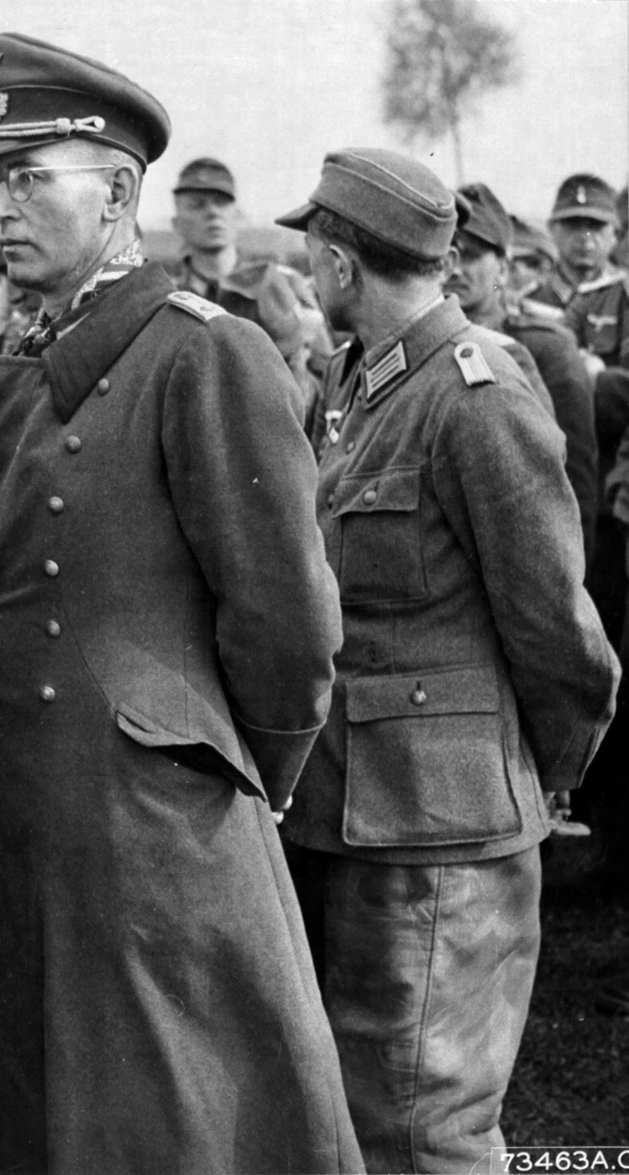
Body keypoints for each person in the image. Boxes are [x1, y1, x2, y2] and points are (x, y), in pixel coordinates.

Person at [0, 32, 360, 1174]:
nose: (0, 204)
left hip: (149, 835)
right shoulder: (31, 354)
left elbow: (287, 622)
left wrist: (230, 775)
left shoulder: (203, 354)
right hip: (28, 828)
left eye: (30, 176)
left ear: (122, 194)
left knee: (167, 1124)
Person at [277, 148, 618, 1173]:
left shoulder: (474, 391)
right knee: (349, 1113)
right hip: (354, 817)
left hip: (442, 839)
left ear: (339, 264)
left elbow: (557, 631)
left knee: (426, 1129)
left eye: (313, 246)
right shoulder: (357, 380)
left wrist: (523, 776)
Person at [450, 181, 597, 562]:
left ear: (502, 264)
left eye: (471, 255)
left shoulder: (546, 347)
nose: (454, 268)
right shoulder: (418, 344)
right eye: (446, 252)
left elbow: (575, 478)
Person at [168, 155, 332, 405]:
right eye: (197, 204)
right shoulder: (168, 299)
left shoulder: (282, 284)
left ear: (238, 216)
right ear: (176, 224)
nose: (212, 213)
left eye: (221, 203)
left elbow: (328, 378)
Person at [532, 172, 623, 313]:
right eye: (572, 224)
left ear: (615, 233)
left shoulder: (624, 299)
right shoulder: (528, 300)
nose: (584, 236)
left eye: (595, 225)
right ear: (551, 229)